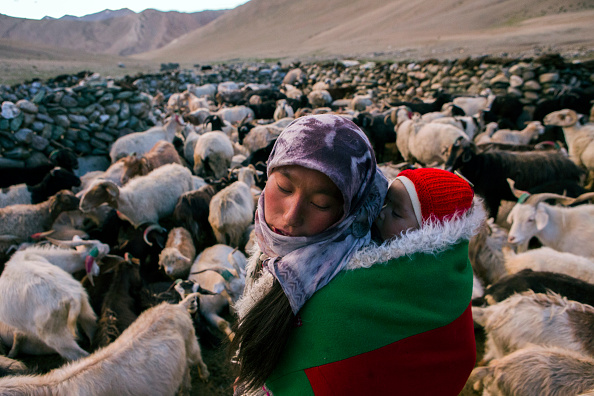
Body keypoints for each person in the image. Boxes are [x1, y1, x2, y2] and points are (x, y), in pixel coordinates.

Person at [231, 114, 484, 395]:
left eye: (321, 203)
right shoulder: (275, 256)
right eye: (283, 187)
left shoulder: (339, 293)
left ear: (349, 209)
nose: (290, 217)